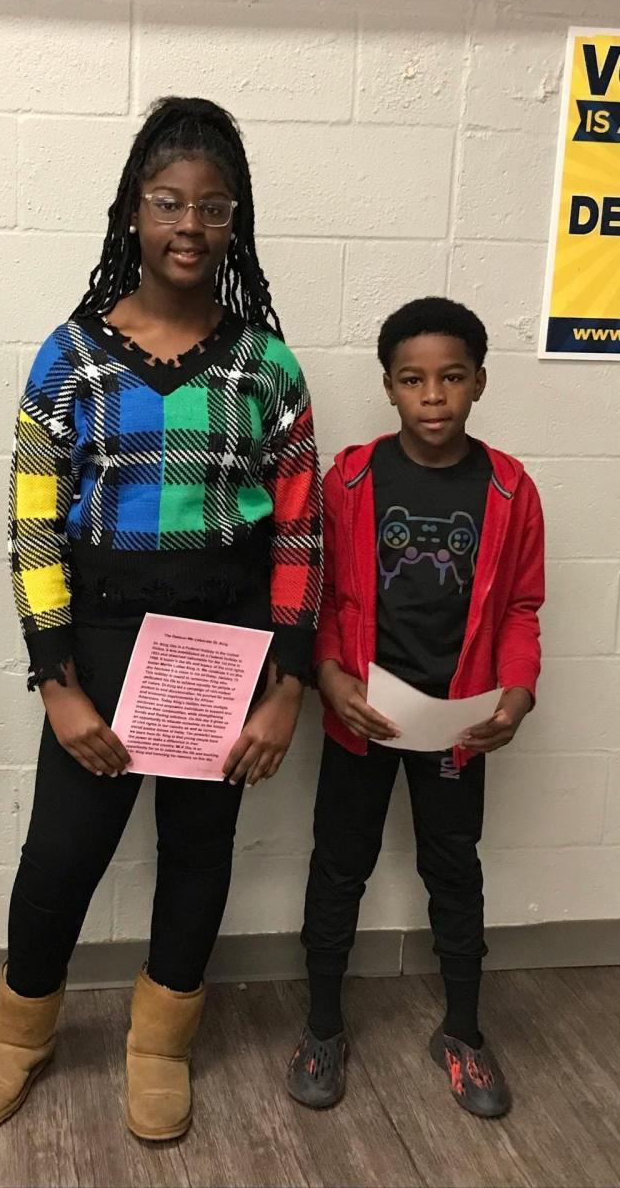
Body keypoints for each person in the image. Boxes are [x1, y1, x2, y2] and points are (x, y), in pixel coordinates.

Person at [0, 97, 322, 1141]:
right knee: (62, 855)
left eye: (214, 206)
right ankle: (20, 1033)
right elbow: (32, 529)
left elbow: (300, 536)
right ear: (131, 213)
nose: (190, 225)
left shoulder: (270, 368)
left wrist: (286, 683)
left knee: (198, 850)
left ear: (237, 223)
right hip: (102, 646)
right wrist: (59, 681)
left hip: (225, 643)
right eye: (168, 201)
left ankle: (160, 1043)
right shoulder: (67, 359)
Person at [288, 297, 544, 1119]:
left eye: (451, 378)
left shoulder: (510, 487)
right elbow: (316, 596)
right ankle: (323, 1026)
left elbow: (519, 610)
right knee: (338, 870)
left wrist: (517, 692)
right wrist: (330, 676)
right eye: (413, 380)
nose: (433, 396)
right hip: (362, 724)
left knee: (454, 873)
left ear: (478, 384)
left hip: (455, 732)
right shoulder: (352, 479)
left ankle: (463, 1032)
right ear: (389, 387)